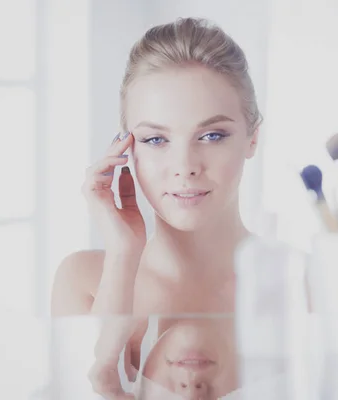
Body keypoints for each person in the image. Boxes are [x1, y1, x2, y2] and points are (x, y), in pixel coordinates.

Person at [51, 17, 262, 398]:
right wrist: (122, 256)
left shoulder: (301, 284)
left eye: (212, 135)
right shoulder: (82, 281)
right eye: (155, 139)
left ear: (252, 138)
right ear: (125, 148)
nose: (185, 166)